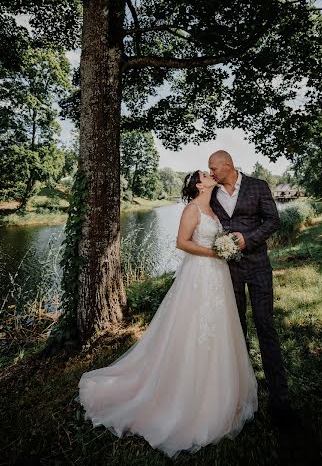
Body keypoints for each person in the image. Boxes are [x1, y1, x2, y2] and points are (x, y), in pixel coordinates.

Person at [77, 170, 258, 459]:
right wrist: (215, 253)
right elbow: (182, 242)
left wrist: (226, 246)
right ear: (199, 185)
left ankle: (220, 391)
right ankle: (184, 394)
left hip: (218, 276)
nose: (210, 174)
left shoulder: (214, 207)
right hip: (200, 274)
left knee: (219, 327)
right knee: (192, 328)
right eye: (205, 174)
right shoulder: (192, 208)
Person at [208, 150, 292, 424]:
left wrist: (248, 239)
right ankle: (242, 395)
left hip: (258, 268)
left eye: (214, 168)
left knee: (265, 327)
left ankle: (281, 401)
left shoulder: (258, 186)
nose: (211, 173)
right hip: (228, 272)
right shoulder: (212, 193)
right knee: (236, 330)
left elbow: (273, 221)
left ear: (228, 165)